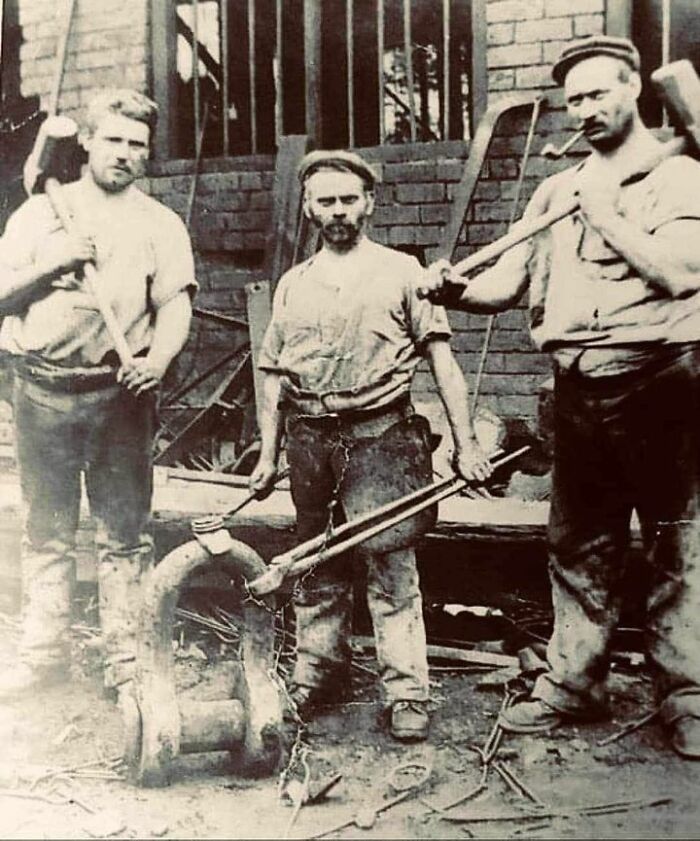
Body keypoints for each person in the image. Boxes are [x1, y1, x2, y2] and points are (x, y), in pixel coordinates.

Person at [419, 35, 700, 759]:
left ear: (635, 87)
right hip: (574, 389)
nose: (586, 109)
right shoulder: (556, 188)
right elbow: (506, 284)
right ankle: (574, 683)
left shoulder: (679, 181)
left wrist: (602, 212)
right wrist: (458, 288)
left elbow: (678, 273)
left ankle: (689, 696)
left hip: (659, 382)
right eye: (574, 99)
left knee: (678, 542)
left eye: (600, 92)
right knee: (577, 542)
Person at [249, 149, 493, 742]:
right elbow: (274, 376)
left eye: (349, 199)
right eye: (326, 201)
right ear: (309, 208)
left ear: (370, 204)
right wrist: (265, 455)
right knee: (316, 562)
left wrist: (467, 445)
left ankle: (407, 691)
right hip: (310, 441)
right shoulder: (293, 284)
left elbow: (443, 362)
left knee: (390, 563)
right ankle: (318, 671)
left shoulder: (402, 273)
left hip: (381, 436)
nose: (338, 211)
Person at [0, 89, 196, 699]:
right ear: (86, 142)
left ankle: (126, 659)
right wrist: (54, 263)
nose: (125, 154)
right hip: (43, 390)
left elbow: (175, 304)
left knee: (124, 535)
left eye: (137, 145)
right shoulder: (39, 216)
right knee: (46, 530)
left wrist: (157, 360)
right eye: (113, 140)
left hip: (119, 396)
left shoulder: (160, 223)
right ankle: (41, 654)